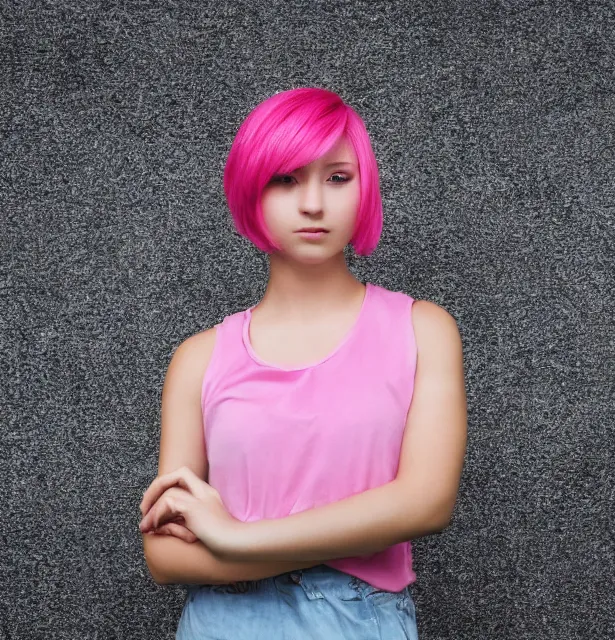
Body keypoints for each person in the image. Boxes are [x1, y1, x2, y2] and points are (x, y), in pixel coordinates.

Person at [138, 87, 467, 639]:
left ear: (365, 188)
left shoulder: (423, 330)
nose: (313, 203)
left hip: (355, 620)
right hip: (222, 621)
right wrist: (327, 542)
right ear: (252, 189)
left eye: (337, 177)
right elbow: (165, 557)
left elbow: (425, 503)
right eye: (285, 178)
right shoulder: (198, 358)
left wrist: (235, 537)